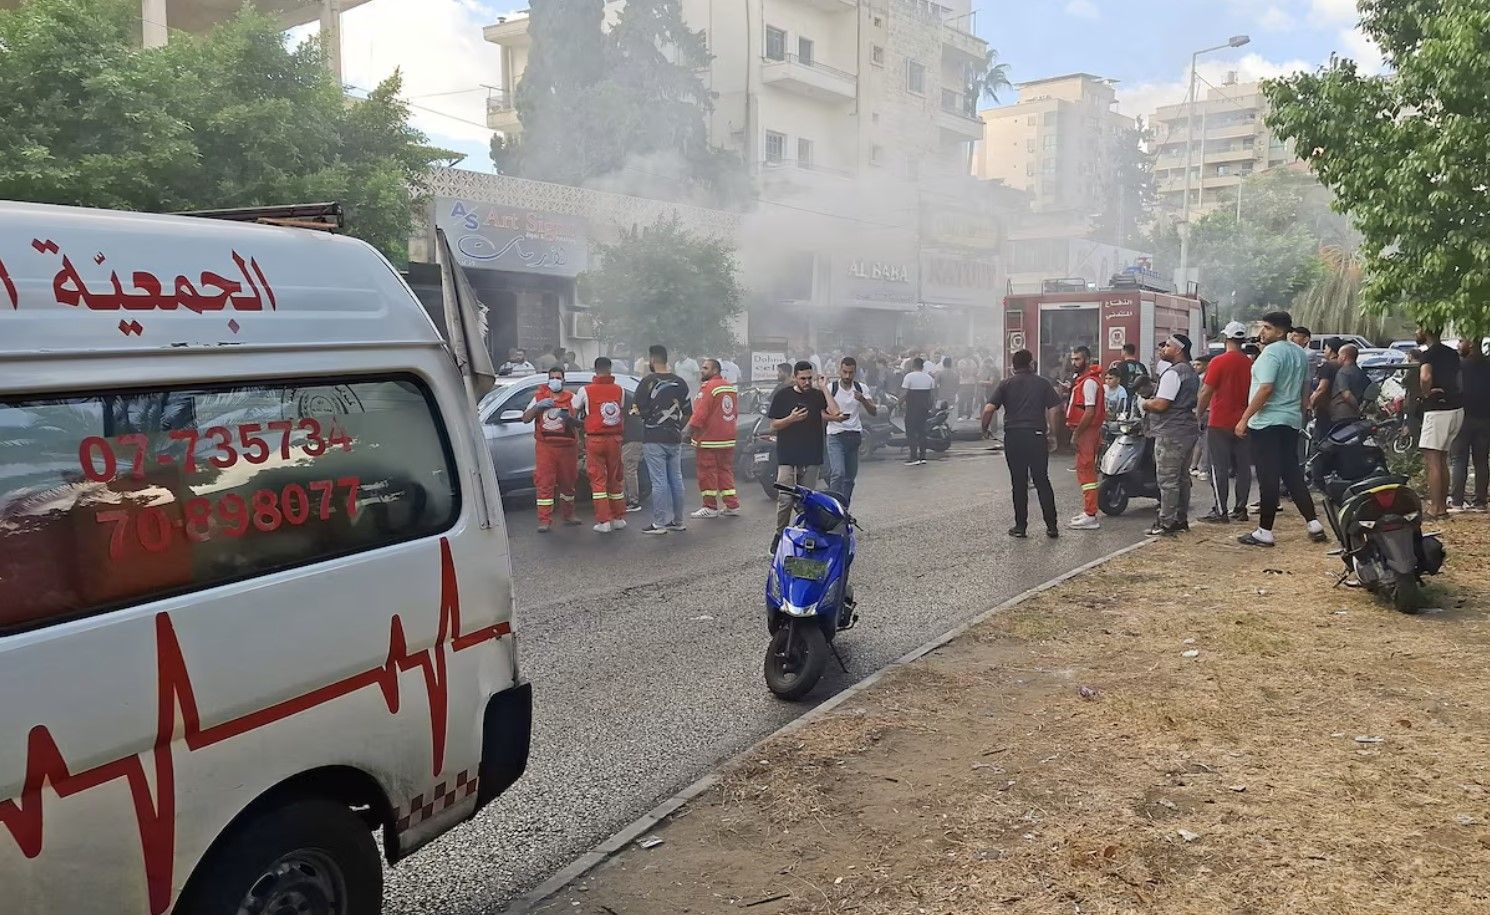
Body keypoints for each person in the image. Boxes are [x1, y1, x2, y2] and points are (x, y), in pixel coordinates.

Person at [1236, 312, 1328, 547]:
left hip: (1267, 421)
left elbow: (1266, 389)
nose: (1262, 332)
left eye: (1267, 328)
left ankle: (1264, 530)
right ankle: (1313, 523)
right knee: (1291, 472)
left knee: (1268, 475)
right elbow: (1306, 385)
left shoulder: (1271, 354)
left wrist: (1245, 418)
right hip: (1290, 420)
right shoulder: (1298, 352)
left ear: (1280, 331)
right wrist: (1302, 408)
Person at [982, 349, 1062, 539]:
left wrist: (984, 428)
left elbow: (988, 409)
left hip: (1014, 437)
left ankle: (1020, 527)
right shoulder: (1042, 383)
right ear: (1031, 364)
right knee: (1042, 480)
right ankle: (1051, 527)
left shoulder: (1006, 384)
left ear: (1013, 366)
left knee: (1018, 483)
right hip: (1036, 435)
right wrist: (1053, 433)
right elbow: (1056, 409)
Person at [768, 361, 832, 556]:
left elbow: (832, 412)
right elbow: (773, 425)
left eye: (809, 378)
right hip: (788, 455)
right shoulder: (783, 396)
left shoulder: (817, 395)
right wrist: (791, 419)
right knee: (786, 499)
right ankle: (779, 535)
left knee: (807, 501)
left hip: (811, 454)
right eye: (803, 378)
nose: (806, 382)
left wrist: (823, 388)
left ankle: (807, 536)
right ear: (795, 377)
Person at [1140, 335, 1201, 536]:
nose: (1163, 349)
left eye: (1167, 346)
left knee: (1167, 480)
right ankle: (1180, 519)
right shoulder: (1191, 372)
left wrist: (1145, 403)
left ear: (1178, 349)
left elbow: (1161, 404)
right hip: (1187, 431)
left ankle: (1166, 522)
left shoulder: (1173, 373)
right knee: (1182, 478)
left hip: (1171, 432)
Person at [1197, 322, 1253, 524]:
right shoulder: (1250, 363)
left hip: (1219, 421)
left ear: (1226, 338)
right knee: (1243, 468)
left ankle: (1221, 510)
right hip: (1244, 421)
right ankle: (1241, 508)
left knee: (1218, 467)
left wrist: (1198, 413)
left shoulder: (1218, 362)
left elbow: (1206, 391)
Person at [634, 345, 692, 534]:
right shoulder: (681, 383)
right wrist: (677, 428)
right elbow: (688, 412)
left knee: (659, 481)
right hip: (674, 437)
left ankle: (659, 523)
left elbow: (637, 411)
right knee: (676, 478)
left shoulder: (647, 382)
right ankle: (678, 521)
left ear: (651, 360)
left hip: (653, 438)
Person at [572, 358, 629, 533]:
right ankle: (618, 518)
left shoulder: (585, 390)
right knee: (615, 479)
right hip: (615, 439)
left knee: (598, 481)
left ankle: (603, 521)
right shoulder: (620, 390)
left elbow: (574, 408)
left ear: (594, 370)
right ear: (610, 369)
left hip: (595, 440)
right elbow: (621, 410)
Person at [521, 366, 580, 532]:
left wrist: (570, 419)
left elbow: (582, 424)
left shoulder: (573, 399)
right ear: (547, 380)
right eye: (552, 378)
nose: (555, 380)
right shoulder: (539, 398)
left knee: (568, 482)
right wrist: (537, 407)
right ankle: (544, 520)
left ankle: (569, 515)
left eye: (558, 377)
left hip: (568, 448)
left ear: (563, 380)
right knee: (544, 483)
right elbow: (525, 418)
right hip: (546, 447)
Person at [1416, 325, 1464, 517]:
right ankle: (1442, 506)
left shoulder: (1428, 354)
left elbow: (1425, 376)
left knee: (1433, 460)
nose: (1416, 332)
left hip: (1437, 410)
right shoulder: (1452, 353)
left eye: (1418, 328)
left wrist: (1426, 393)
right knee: (1442, 459)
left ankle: (1436, 508)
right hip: (1456, 408)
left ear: (1426, 330)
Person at [686, 358, 741, 519]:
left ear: (715, 370)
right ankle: (732, 505)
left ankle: (709, 506)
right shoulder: (729, 387)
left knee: (707, 472)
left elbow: (700, 414)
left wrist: (688, 432)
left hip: (709, 438)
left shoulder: (708, 387)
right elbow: (734, 412)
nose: (702, 371)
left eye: (705, 368)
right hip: (727, 438)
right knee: (725, 471)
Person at [825, 356, 878, 505]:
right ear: (839, 371)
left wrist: (863, 400)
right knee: (837, 473)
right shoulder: (831, 388)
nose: (847, 376)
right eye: (845, 372)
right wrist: (835, 419)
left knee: (849, 478)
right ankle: (831, 506)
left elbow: (873, 411)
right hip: (835, 436)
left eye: (851, 372)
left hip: (854, 436)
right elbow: (821, 413)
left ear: (855, 372)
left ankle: (843, 508)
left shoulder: (861, 388)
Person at [1066, 346, 1107, 531]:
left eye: (1078, 359)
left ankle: (1091, 514)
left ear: (1087, 360)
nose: (1074, 362)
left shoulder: (1089, 382)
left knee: (1087, 472)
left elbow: (1089, 412)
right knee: (1085, 471)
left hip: (1087, 432)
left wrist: (1077, 433)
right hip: (1087, 431)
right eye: (1073, 359)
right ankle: (1088, 511)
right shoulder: (1084, 381)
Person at [1451, 336, 1490, 512]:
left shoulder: (1459, 366)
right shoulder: (1487, 365)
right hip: (1485, 417)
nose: (1459, 345)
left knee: (1459, 460)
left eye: (1462, 340)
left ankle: (1457, 500)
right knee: (1481, 460)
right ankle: (1480, 501)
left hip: (1463, 416)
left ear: (1471, 343)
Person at [901, 357, 937, 466]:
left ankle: (913, 456)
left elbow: (904, 393)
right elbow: (932, 395)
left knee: (911, 433)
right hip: (924, 410)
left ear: (913, 365)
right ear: (922, 366)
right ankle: (923, 456)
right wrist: (931, 407)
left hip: (912, 409)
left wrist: (898, 402)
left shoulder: (909, 377)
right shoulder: (929, 378)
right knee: (922, 433)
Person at [1329, 344, 1369, 426]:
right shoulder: (1361, 373)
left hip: (1342, 414)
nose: (1338, 358)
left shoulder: (1343, 372)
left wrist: (1357, 409)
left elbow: (1346, 394)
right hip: (1355, 417)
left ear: (1344, 357)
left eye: (1339, 355)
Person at [621, 386, 645, 513]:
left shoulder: (624, 400)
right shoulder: (628, 400)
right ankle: (628, 499)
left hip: (631, 439)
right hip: (631, 439)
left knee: (629, 470)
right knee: (627, 469)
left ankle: (633, 502)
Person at [1189, 355, 1212, 482]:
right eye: (1194, 365)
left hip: (1204, 411)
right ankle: (1197, 467)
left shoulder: (1203, 378)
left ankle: (1202, 468)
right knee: (1202, 441)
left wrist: (1198, 412)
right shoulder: (1199, 378)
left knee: (1203, 441)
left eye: (1198, 365)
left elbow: (1202, 395)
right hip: (1204, 411)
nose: (1195, 367)